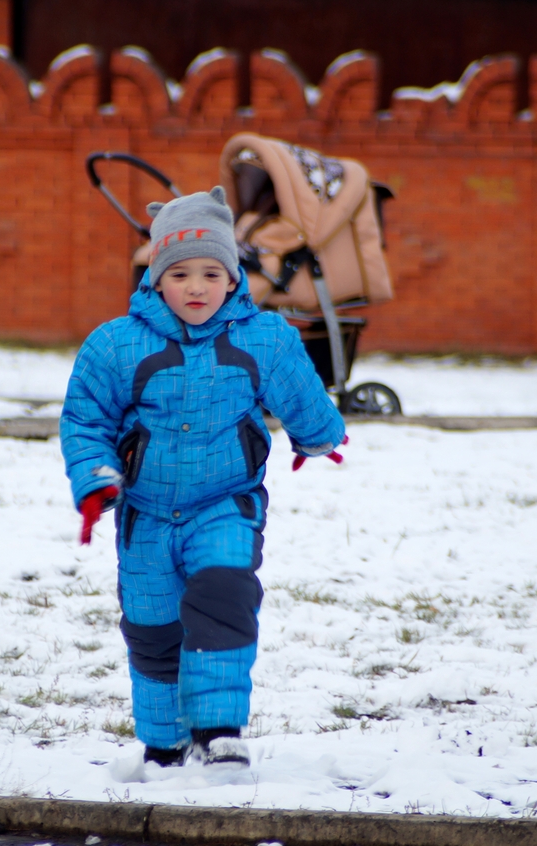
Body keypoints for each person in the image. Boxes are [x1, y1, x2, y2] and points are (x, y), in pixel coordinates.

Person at [60, 187, 347, 769]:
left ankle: (217, 733)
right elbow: (85, 418)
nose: (197, 287)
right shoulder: (116, 345)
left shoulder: (261, 338)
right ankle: (164, 743)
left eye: (212, 273)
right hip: (145, 516)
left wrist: (319, 436)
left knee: (225, 595)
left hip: (224, 503)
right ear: (156, 279)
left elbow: (300, 390)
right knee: (152, 625)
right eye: (181, 273)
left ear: (233, 277)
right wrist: (95, 479)